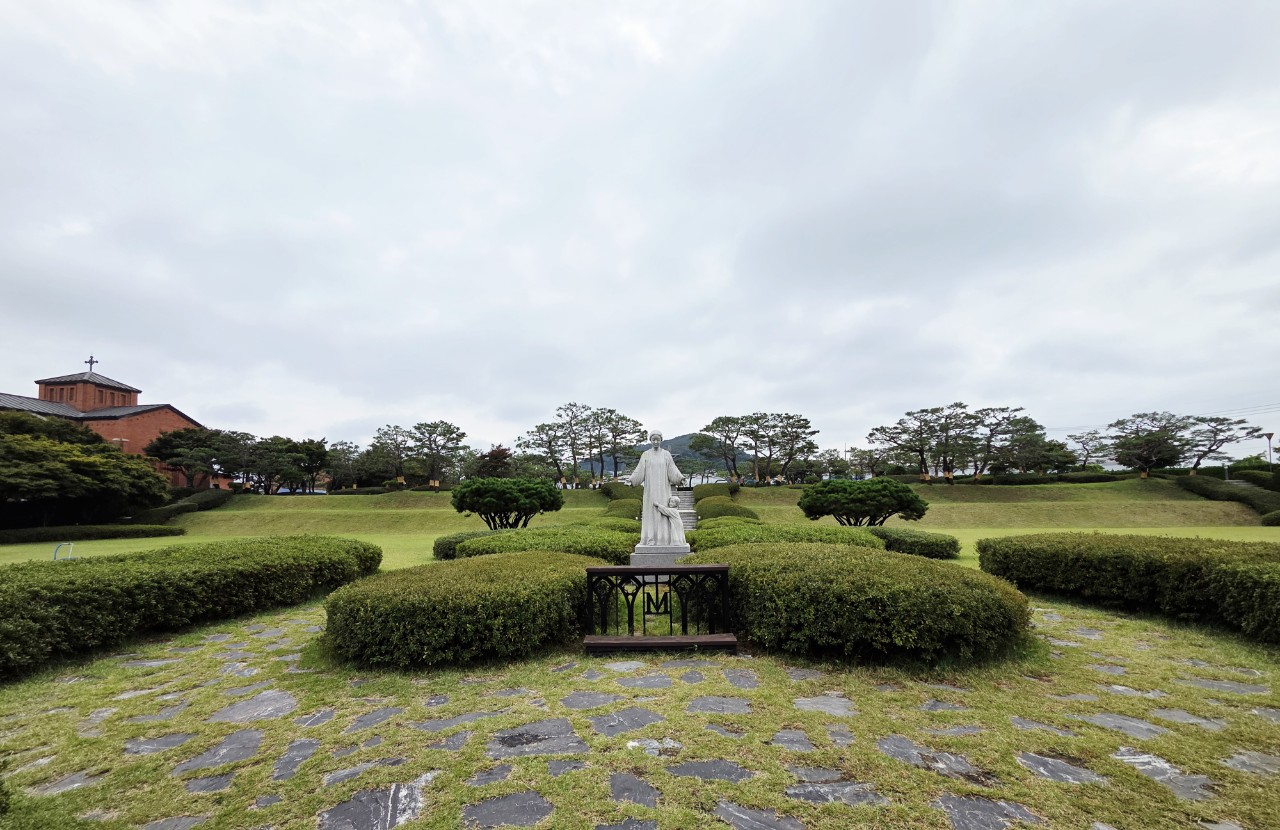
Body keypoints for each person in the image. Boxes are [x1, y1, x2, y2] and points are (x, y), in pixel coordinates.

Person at [629, 430, 686, 546]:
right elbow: (639, 470)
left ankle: (663, 539)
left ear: (661, 440)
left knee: (663, 514)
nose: (655, 441)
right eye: (653, 439)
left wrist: (680, 478)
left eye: (658, 439)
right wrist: (631, 480)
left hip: (664, 490)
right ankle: (650, 539)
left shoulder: (666, 454)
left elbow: (672, 469)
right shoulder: (646, 455)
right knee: (651, 513)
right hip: (650, 491)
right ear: (650, 440)